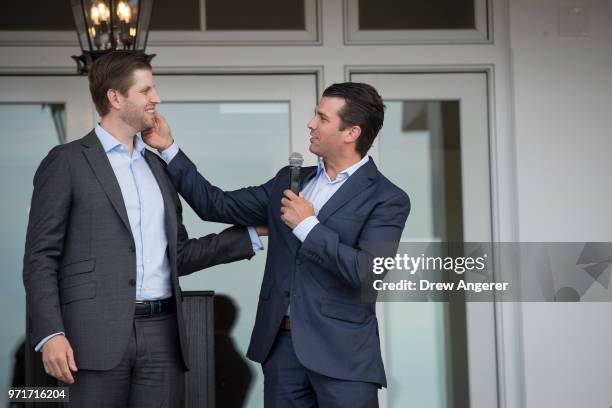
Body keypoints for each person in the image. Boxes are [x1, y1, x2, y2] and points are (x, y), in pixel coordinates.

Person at [144, 82, 410, 407]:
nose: (311, 124)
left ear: (351, 132)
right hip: (282, 348)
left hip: (345, 356)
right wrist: (168, 147)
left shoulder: (387, 198)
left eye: (322, 118)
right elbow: (216, 205)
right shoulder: (290, 180)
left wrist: (308, 226)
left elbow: (368, 273)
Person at [22, 50, 262, 407]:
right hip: (90, 338)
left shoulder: (159, 167)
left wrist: (252, 234)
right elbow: (40, 257)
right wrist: (50, 333)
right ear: (115, 97)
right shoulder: (67, 162)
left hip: (163, 335)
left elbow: (178, 254)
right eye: (146, 90)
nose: (156, 99)